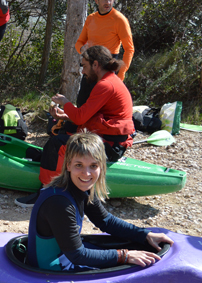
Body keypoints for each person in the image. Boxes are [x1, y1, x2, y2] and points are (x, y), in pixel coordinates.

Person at [27, 132, 173, 272]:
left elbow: (105, 220)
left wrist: (144, 235)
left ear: (101, 167)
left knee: (135, 244)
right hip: (53, 268)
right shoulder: (59, 203)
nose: (87, 173)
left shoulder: (82, 187)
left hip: (66, 256)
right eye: (79, 165)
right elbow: (77, 255)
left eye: (93, 166)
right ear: (68, 165)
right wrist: (125, 256)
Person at [15, 45, 134, 207]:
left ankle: (46, 192)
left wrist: (65, 102)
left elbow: (80, 118)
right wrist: (64, 116)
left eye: (84, 66)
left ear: (96, 65)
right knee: (65, 131)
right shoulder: (110, 81)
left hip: (110, 146)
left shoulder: (105, 85)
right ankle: (47, 161)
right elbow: (87, 114)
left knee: (57, 144)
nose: (83, 71)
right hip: (110, 140)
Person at [74, 0, 133, 106]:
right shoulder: (91, 18)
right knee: (82, 104)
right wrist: (83, 50)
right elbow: (79, 43)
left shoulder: (120, 19)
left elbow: (129, 49)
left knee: (102, 109)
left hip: (108, 68)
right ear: (97, 1)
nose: (107, 2)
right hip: (90, 67)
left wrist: (120, 75)